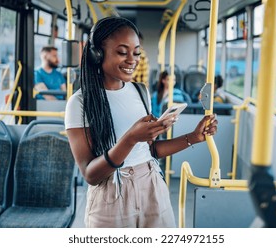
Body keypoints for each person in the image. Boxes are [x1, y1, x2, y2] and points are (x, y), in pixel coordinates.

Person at [65, 16, 218, 228]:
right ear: (97, 53)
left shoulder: (140, 91)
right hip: (111, 193)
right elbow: (91, 174)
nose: (132, 60)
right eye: (122, 52)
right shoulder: (80, 103)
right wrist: (130, 138)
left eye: (136, 52)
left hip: (152, 185)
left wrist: (193, 137)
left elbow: (151, 151)